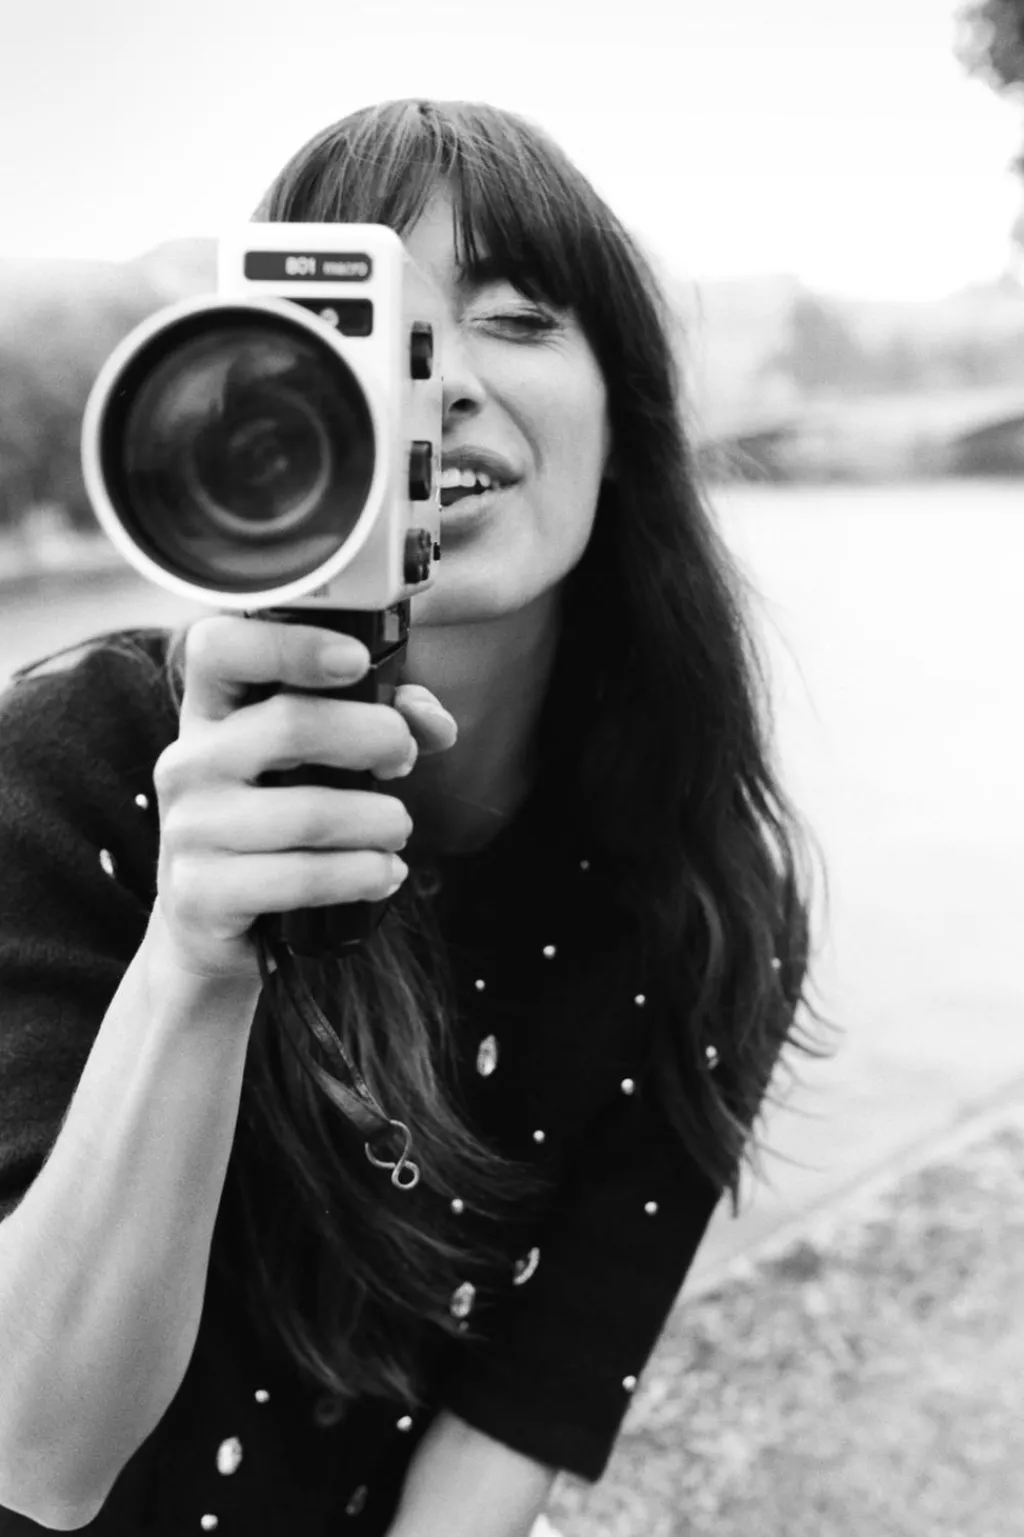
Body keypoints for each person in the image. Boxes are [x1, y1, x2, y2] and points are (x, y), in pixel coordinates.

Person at [0, 99, 829, 1536]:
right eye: (373, 337)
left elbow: (514, 1420)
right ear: (253, 420)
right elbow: (31, 1452)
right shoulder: (86, 766)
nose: (436, 386)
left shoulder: (701, 908)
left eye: (516, 319)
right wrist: (195, 962)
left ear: (624, 416)